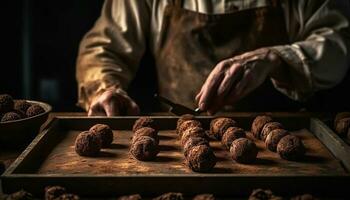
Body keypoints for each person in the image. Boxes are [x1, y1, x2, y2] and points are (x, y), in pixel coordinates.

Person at [76, 0, 349, 116]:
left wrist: (276, 57)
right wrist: (103, 87)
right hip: (177, 147)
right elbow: (104, 46)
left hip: (284, 139)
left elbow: (338, 43)